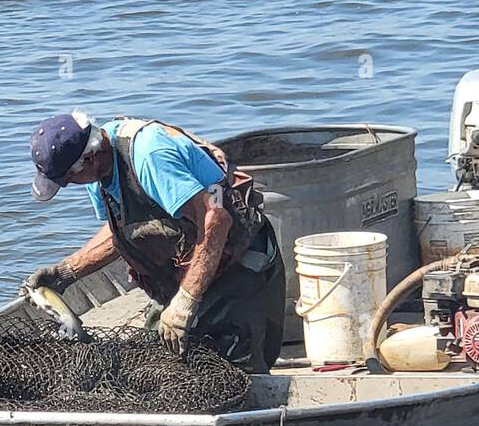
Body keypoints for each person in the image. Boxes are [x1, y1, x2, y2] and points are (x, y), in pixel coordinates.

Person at [21, 111, 285, 373]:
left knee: (235, 372)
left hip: (238, 266)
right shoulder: (98, 166)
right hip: (186, 269)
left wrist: (186, 301)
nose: (69, 186)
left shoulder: (150, 156)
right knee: (162, 362)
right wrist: (66, 272)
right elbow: (121, 231)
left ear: (89, 159)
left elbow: (216, 219)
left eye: (68, 179)